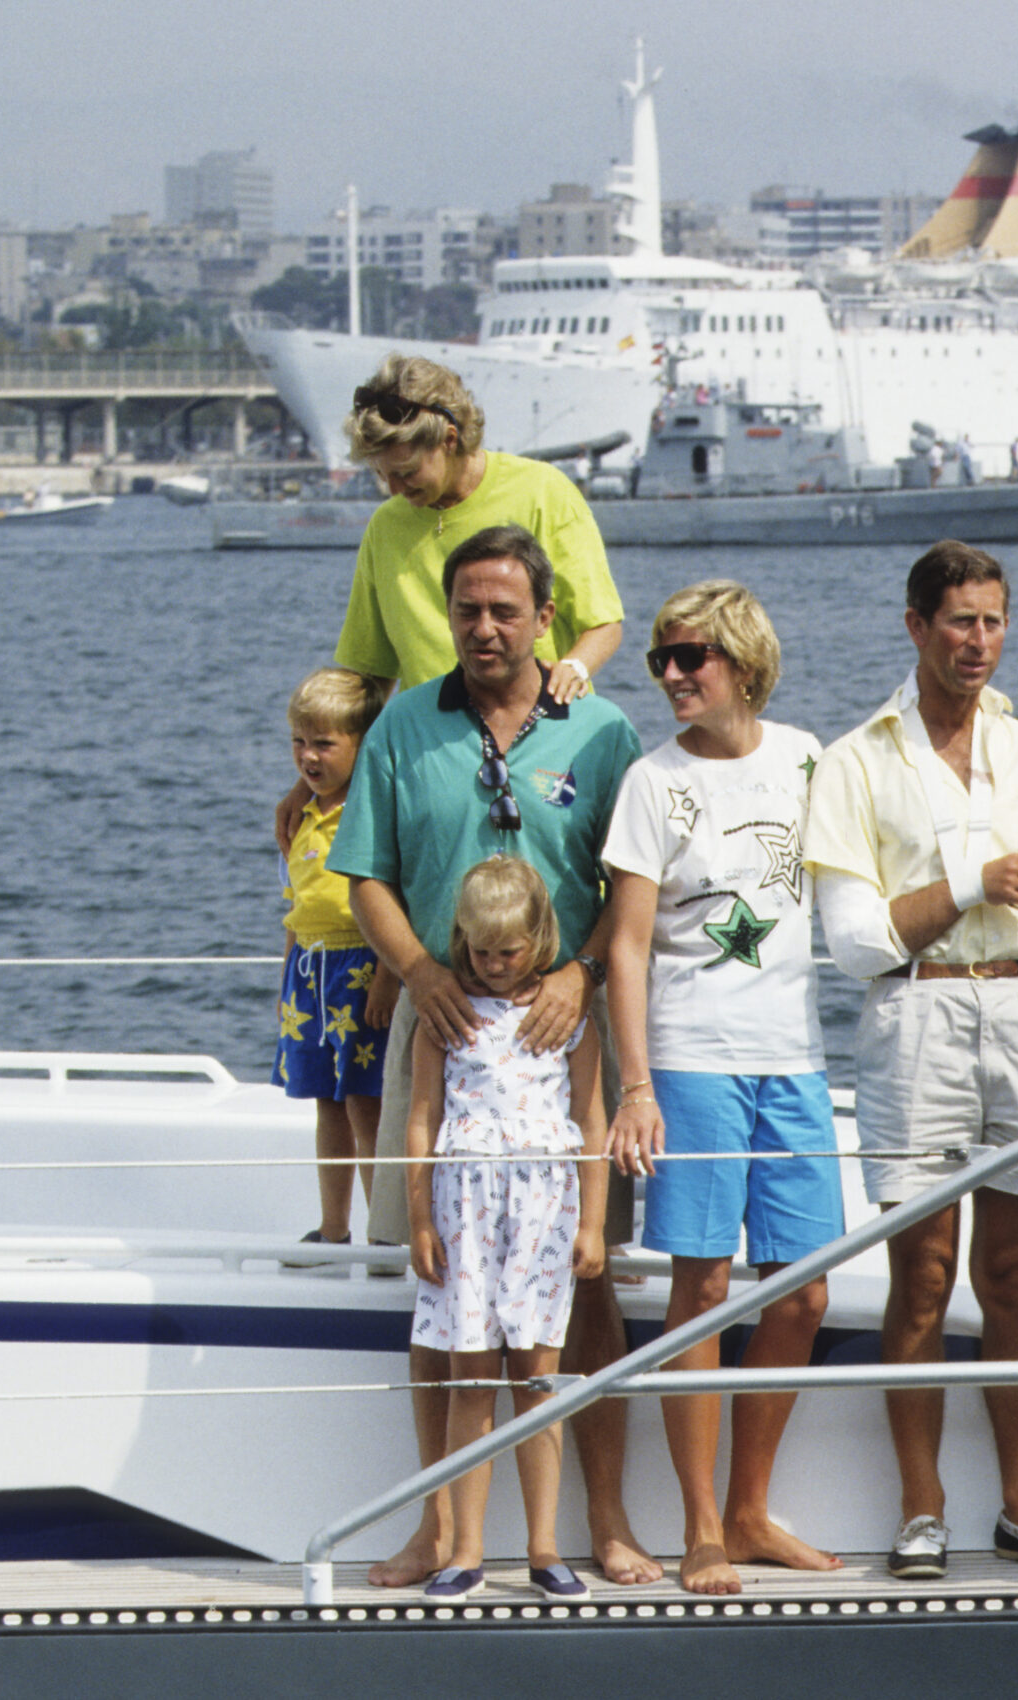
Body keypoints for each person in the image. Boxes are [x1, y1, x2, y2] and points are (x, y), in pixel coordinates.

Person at [328, 525, 658, 1589]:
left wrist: (584, 976)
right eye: (467, 608)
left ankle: (601, 1521)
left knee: (587, 1289)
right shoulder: (398, 729)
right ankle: (442, 1528)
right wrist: (420, 971)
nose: (484, 627)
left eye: (504, 609)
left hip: (561, 1047)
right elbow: (363, 874)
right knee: (438, 1292)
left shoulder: (600, 731)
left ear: (542, 617)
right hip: (442, 1045)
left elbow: (632, 888)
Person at [801, 540, 1018, 1581]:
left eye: (992, 620)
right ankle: (922, 1506)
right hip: (915, 1019)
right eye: (958, 621)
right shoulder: (854, 759)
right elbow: (852, 944)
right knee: (922, 1278)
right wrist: (976, 879)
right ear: (915, 625)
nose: (977, 640)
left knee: (1013, 1277)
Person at [605, 582, 846, 1596]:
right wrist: (635, 1086)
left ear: (741, 659)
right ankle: (702, 1524)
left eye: (689, 655)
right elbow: (623, 944)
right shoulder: (650, 783)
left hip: (793, 1057)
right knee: (699, 1289)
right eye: (660, 656)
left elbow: (860, 894)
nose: (670, 673)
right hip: (692, 1059)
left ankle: (750, 1506)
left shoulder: (805, 758)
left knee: (805, 1286)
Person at [273, 354, 625, 848]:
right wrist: (313, 782)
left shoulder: (543, 492)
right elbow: (368, 677)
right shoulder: (386, 527)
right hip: (431, 764)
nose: (394, 489)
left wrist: (575, 669)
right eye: (381, 475)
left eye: (406, 471)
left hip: (545, 751)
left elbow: (603, 624)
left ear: (450, 440)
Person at [406, 858, 607, 1601]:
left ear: (538, 938)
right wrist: (420, 1216)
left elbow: (590, 1119)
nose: (493, 967)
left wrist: (593, 1223)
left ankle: (545, 1546)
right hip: (464, 1208)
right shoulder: (446, 1018)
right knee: (471, 1381)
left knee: (537, 1379)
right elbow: (421, 1117)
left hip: (543, 1211)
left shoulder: (569, 1018)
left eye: (509, 952)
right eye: (482, 951)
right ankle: (463, 1549)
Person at [275, 667, 398, 1251]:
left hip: (361, 969)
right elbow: (297, 910)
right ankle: (333, 1226)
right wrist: (285, 984)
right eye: (300, 742)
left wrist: (386, 978)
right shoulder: (301, 817)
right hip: (309, 976)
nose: (309, 756)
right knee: (325, 1101)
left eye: (325, 743)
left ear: (361, 744)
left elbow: (392, 902)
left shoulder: (370, 811)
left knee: (364, 1102)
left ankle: (382, 1232)